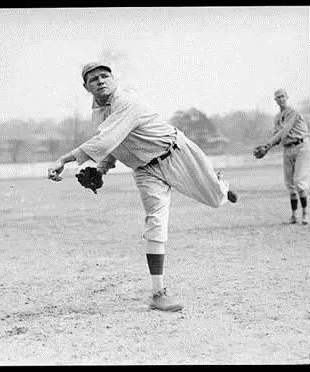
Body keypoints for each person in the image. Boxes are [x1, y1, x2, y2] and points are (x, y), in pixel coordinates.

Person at [48, 62, 238, 312]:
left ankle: (221, 184)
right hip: (145, 170)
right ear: (86, 88)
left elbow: (106, 140)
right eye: (94, 79)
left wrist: (64, 159)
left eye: (105, 76)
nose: (101, 81)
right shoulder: (99, 114)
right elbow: (117, 144)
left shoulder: (126, 100)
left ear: (114, 79)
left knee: (215, 198)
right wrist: (102, 169)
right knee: (155, 222)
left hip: (175, 153)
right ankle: (158, 293)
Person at [254, 89, 310, 225]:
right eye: (277, 97)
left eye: (282, 96)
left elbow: (284, 131)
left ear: (287, 97)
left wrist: (267, 146)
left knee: (299, 181)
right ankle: (293, 216)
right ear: (275, 100)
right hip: (288, 149)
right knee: (290, 183)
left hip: (301, 146)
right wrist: (266, 147)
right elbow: (277, 136)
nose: (280, 99)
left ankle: (305, 214)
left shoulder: (293, 113)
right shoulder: (277, 117)